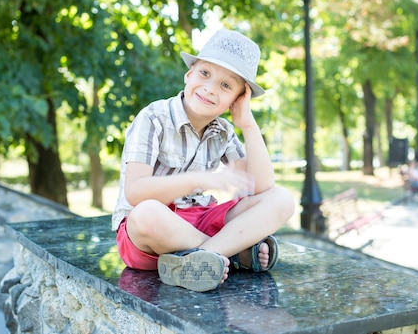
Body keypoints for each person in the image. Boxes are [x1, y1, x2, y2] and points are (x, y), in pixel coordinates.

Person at [112, 28, 295, 292]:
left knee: (282, 199)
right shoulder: (153, 117)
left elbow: (261, 188)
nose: (210, 89)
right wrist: (201, 179)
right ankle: (232, 253)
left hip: (202, 219)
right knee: (146, 214)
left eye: (226, 85)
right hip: (153, 233)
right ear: (189, 74)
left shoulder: (223, 131)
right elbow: (135, 192)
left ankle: (199, 260)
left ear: (237, 99)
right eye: (205, 74)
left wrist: (248, 124)